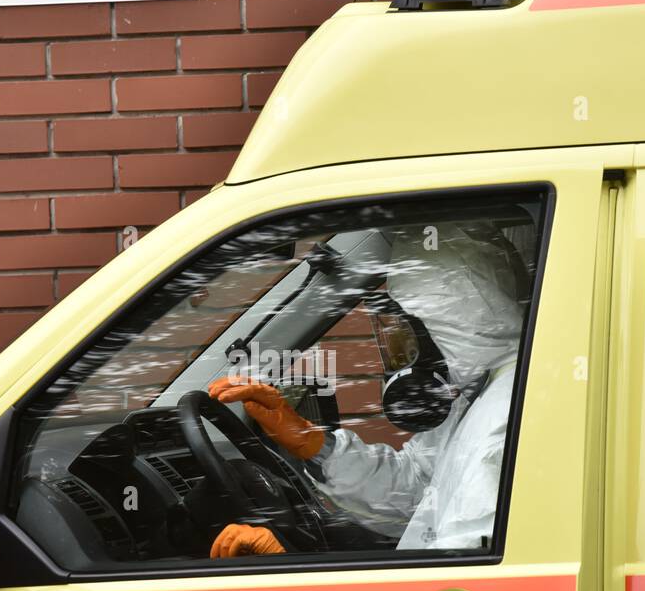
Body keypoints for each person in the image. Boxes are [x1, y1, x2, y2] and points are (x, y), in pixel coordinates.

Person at [208, 223, 526, 558]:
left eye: (406, 335)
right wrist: (315, 444)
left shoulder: (508, 420)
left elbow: (461, 577)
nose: (397, 355)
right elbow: (417, 486)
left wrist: (293, 567)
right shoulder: (486, 392)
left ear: (452, 323)